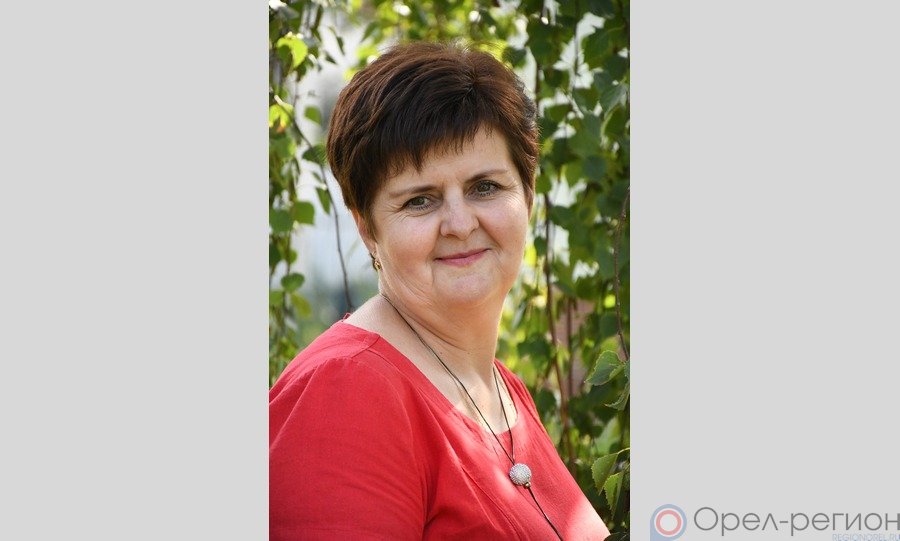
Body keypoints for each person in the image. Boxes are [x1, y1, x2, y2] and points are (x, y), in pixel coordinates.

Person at [269, 41, 610, 540]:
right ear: (367, 229)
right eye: (420, 200)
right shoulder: (346, 394)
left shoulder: (502, 390)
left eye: (485, 187)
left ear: (528, 195)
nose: (459, 223)